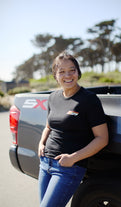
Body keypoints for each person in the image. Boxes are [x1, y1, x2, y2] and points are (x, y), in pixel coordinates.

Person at [38, 51, 109, 207]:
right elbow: (48, 126)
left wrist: (73, 158)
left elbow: (102, 138)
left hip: (68, 168)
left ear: (78, 72)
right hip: (45, 164)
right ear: (55, 76)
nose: (68, 75)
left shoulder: (89, 99)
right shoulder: (53, 97)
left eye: (72, 70)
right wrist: (41, 143)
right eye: (61, 72)